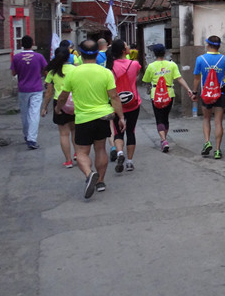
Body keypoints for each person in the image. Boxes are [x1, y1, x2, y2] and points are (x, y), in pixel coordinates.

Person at [55, 39, 126, 199]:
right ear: (97, 53)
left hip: (83, 118)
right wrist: (121, 117)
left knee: (81, 152)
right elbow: (114, 96)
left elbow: (63, 96)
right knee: (100, 149)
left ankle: (89, 174)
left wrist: (58, 108)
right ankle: (100, 182)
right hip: (103, 116)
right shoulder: (105, 72)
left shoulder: (73, 72)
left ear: (79, 54)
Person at [142, 44, 195, 152]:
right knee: (165, 117)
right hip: (169, 94)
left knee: (159, 118)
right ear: (165, 53)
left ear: (154, 54)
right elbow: (179, 78)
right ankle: (164, 139)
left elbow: (146, 80)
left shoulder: (151, 66)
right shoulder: (172, 65)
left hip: (155, 95)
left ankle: (163, 140)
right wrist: (188, 89)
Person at [192, 35, 225, 159]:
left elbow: (197, 78)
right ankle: (218, 150)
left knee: (206, 119)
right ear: (219, 46)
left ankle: (207, 142)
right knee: (218, 122)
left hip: (206, 94)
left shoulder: (200, 59)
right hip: (220, 93)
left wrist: (194, 92)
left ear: (208, 45)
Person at [106, 39, 142, 173]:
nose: (128, 47)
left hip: (116, 104)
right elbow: (135, 77)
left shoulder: (109, 68)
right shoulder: (135, 64)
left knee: (117, 131)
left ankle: (120, 152)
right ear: (123, 50)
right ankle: (130, 162)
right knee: (131, 131)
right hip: (133, 102)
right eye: (126, 45)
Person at [41, 47, 76, 167]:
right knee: (75, 130)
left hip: (60, 104)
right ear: (69, 57)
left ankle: (68, 160)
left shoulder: (52, 72)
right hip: (75, 103)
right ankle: (78, 153)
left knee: (64, 134)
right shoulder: (75, 70)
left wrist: (45, 107)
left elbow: (49, 93)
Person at [11, 35, 47, 149]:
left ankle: (26, 135)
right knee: (34, 113)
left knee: (25, 113)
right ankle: (32, 139)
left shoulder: (16, 57)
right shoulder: (39, 57)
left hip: (23, 89)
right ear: (32, 43)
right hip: (36, 89)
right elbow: (46, 71)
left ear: (21, 44)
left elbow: (13, 73)